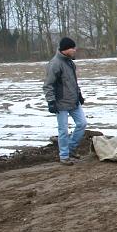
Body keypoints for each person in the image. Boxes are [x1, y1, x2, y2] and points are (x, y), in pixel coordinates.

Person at [42, 37, 87, 165]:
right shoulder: (55, 64)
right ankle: (64, 156)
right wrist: (51, 101)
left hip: (73, 101)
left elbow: (73, 82)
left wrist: (79, 94)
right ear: (65, 49)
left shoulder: (70, 63)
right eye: (72, 48)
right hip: (60, 102)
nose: (75, 50)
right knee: (63, 130)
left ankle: (71, 148)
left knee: (82, 123)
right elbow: (48, 85)